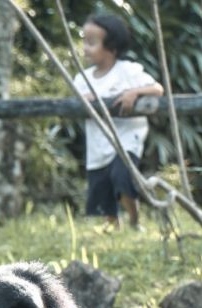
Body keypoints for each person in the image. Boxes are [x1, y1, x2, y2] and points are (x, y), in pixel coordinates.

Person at [72, 14, 163, 231]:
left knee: (121, 177)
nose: (85, 48)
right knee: (101, 185)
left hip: (126, 138)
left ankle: (134, 220)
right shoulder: (82, 79)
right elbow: (77, 103)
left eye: (92, 43)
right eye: (84, 41)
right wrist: (87, 100)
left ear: (111, 46)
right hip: (98, 142)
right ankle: (112, 225)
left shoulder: (128, 71)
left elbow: (157, 89)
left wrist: (134, 92)